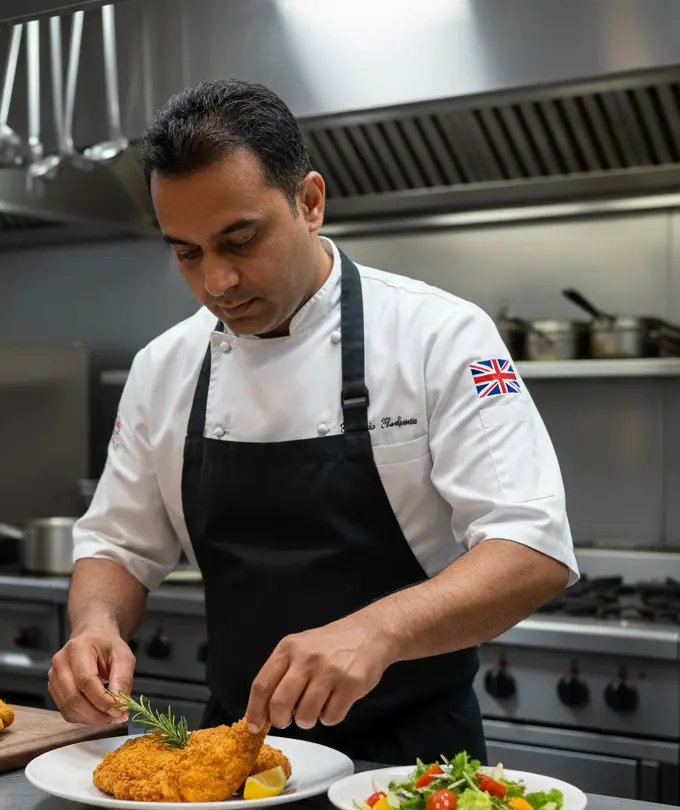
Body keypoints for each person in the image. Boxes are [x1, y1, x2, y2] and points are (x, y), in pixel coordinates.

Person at [48, 79, 577, 764]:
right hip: (238, 759)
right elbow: (118, 544)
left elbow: (532, 548)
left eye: (240, 240)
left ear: (310, 202)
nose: (217, 282)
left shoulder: (439, 334)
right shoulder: (164, 366)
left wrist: (379, 630)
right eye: (187, 252)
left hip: (414, 767)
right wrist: (95, 624)